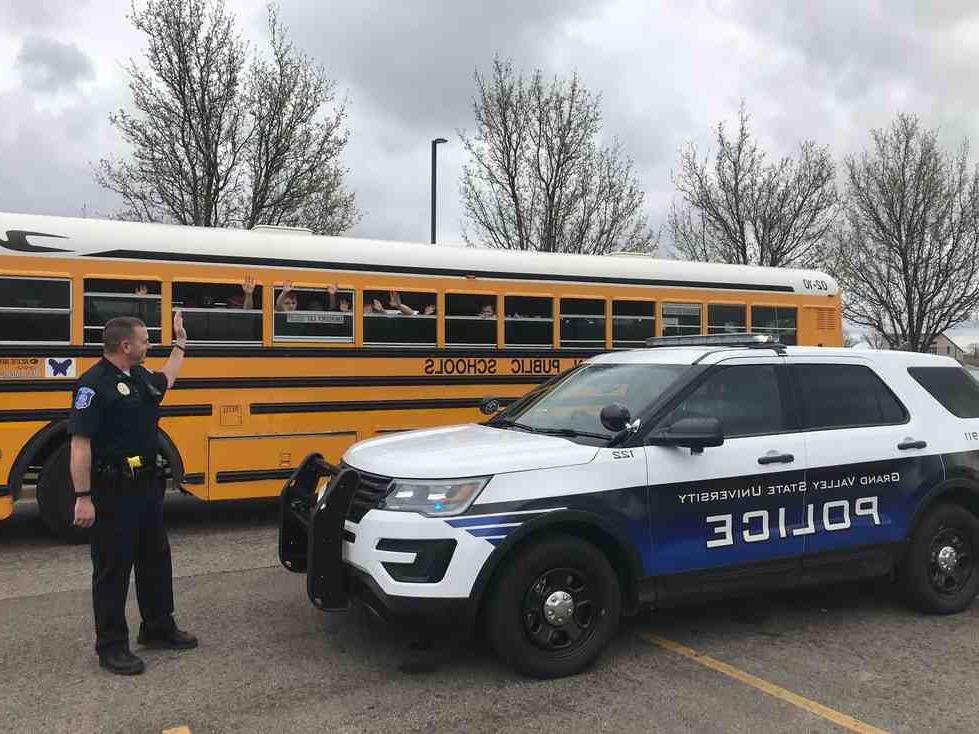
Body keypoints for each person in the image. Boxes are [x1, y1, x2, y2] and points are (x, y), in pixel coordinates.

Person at [69, 313, 197, 675]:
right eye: (144, 341)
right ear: (125, 346)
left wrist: (181, 345)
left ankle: (157, 626)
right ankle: (111, 646)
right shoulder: (93, 387)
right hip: (112, 492)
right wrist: (83, 496)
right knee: (113, 568)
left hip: (146, 488)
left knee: (155, 558)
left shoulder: (138, 377)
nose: (148, 345)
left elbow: (166, 380)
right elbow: (80, 444)